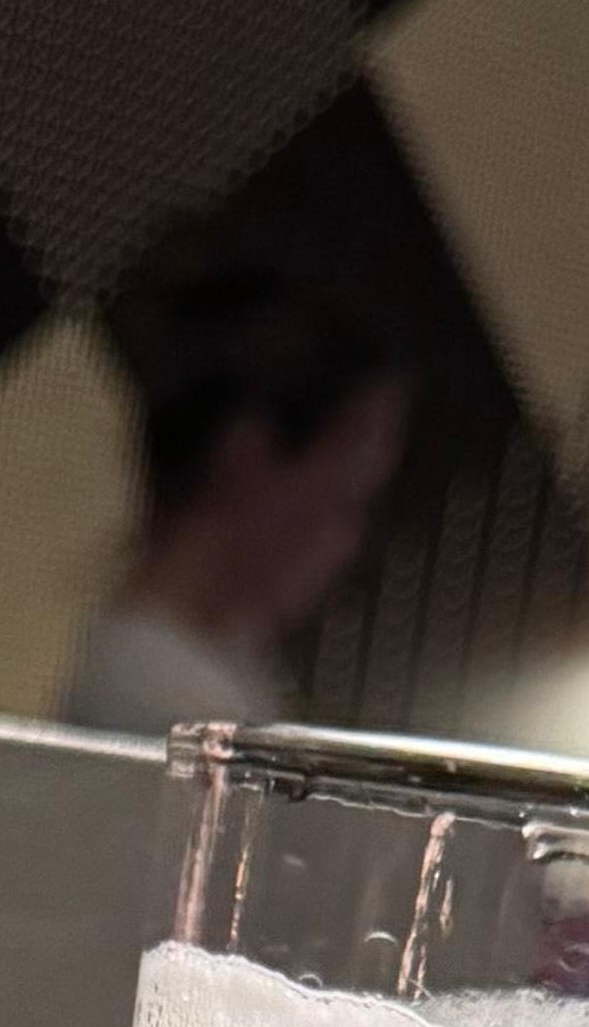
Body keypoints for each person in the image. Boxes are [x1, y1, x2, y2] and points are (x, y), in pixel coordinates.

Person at [61, 259, 406, 740]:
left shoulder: (218, 666)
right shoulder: (161, 700)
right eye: (343, 495)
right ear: (246, 457)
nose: (348, 541)